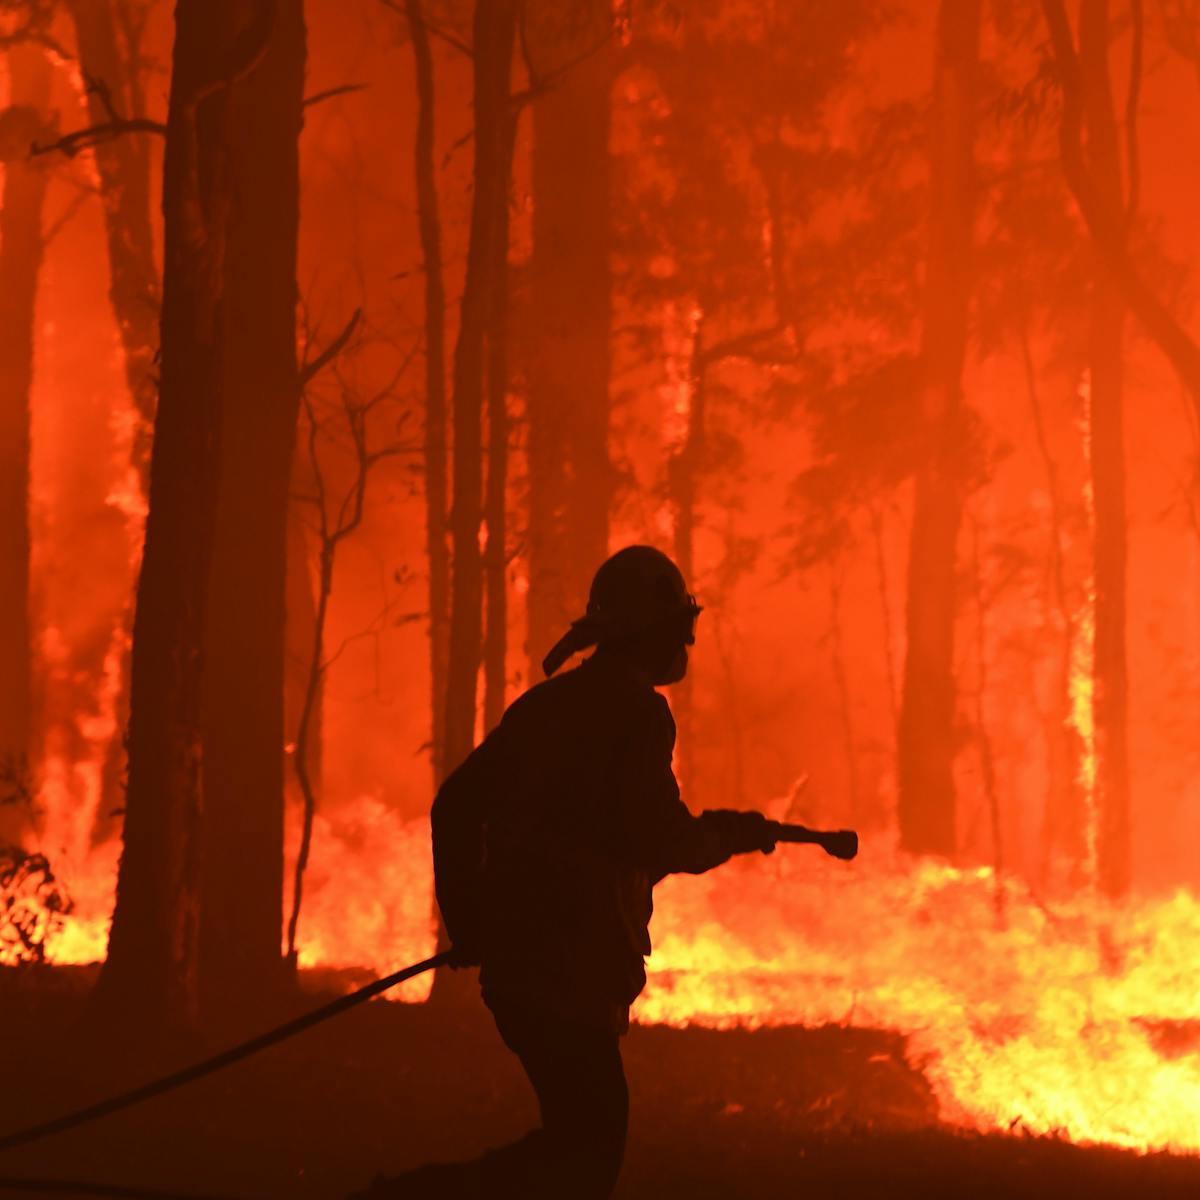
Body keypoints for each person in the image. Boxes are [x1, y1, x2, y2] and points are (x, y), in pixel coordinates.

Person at [353, 545, 779, 1199]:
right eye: (676, 626)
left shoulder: (548, 707)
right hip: (569, 974)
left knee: (574, 1146)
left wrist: (469, 920)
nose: (685, 641)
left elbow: (464, 807)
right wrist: (728, 833)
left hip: (525, 974)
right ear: (649, 632)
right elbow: (660, 841)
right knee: (588, 1152)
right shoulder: (636, 714)